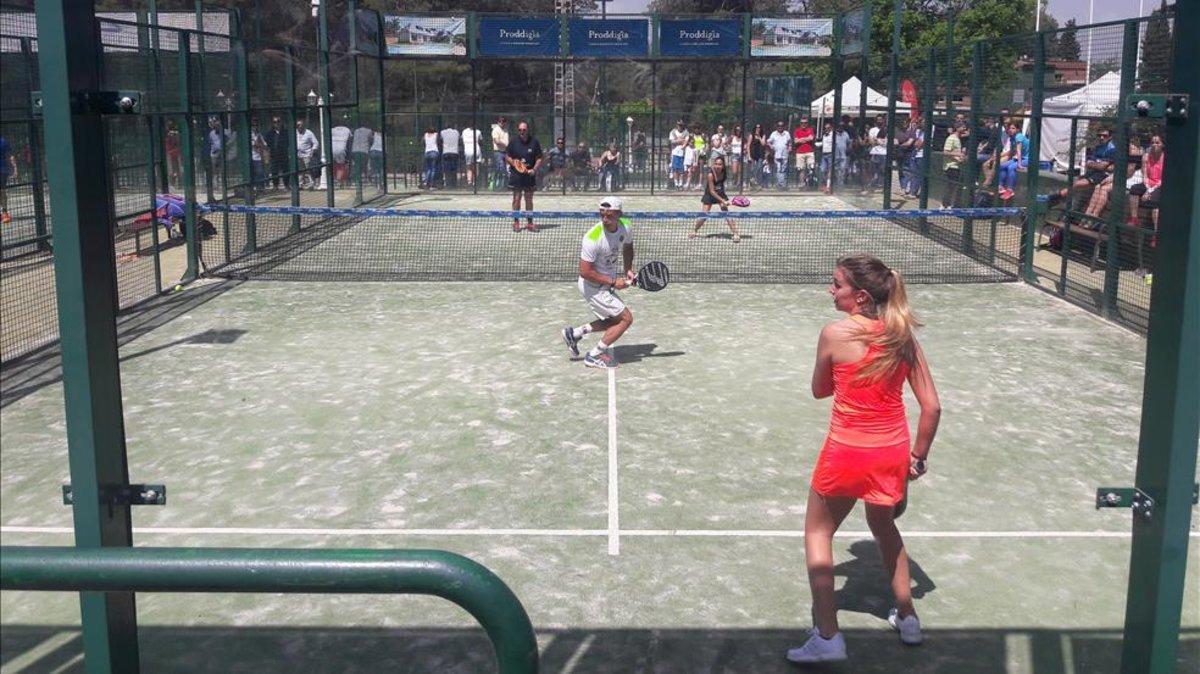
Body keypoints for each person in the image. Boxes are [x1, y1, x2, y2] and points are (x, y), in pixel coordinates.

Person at [786, 254, 941, 664]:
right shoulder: (902, 336)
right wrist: (918, 459)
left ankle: (827, 636)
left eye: (836, 284)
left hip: (846, 451)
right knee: (883, 525)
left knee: (818, 535)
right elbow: (932, 408)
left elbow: (820, 390)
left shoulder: (834, 334)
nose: (830, 289)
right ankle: (907, 617)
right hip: (891, 453)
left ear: (860, 296)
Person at [562, 196, 635, 370]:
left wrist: (628, 270)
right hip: (592, 285)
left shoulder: (626, 225)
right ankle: (594, 356)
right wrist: (613, 282)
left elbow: (628, 247)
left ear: (619, 214)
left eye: (609, 215)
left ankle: (575, 333)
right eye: (601, 214)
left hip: (605, 283)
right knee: (626, 319)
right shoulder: (592, 237)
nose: (604, 218)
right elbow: (585, 272)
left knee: (614, 320)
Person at [689, 156, 740, 243]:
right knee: (704, 216)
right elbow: (712, 191)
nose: (717, 166)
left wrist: (722, 198)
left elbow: (720, 184)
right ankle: (694, 231)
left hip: (720, 193)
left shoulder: (724, 173)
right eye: (716, 164)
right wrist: (723, 200)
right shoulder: (710, 175)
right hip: (709, 194)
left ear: (723, 165)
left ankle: (735, 234)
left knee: (726, 214)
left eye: (720, 164)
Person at [506, 121, 543, 232]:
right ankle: (516, 222)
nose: (522, 132)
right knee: (516, 199)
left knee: (529, 199)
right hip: (516, 176)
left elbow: (539, 158)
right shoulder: (513, 141)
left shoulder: (534, 142)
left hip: (529, 177)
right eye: (520, 130)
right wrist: (515, 164)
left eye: (524, 130)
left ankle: (530, 223)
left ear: (528, 130)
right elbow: (507, 156)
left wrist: (534, 169)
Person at [941, 123, 968, 208]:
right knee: (950, 186)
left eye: (965, 127)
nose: (965, 128)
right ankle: (944, 205)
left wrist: (961, 157)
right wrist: (958, 157)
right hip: (951, 166)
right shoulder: (951, 138)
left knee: (954, 186)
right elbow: (946, 152)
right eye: (963, 127)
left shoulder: (958, 139)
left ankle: (950, 204)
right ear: (957, 128)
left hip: (957, 166)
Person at [264, 117, 289, 190]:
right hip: (273, 154)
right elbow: (266, 144)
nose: (277, 123)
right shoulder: (270, 133)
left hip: (283, 154)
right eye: (275, 122)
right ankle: (275, 186)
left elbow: (288, 142)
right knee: (274, 171)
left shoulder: (285, 132)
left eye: (278, 121)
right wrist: (267, 154)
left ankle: (286, 185)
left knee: (285, 170)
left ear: (281, 122)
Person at [296, 120, 320, 190]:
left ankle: (311, 184)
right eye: (298, 125)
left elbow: (316, 143)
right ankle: (300, 184)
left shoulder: (308, 133)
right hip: (298, 154)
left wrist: (312, 151)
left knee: (309, 170)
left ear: (303, 125)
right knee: (300, 170)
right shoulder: (295, 133)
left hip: (307, 154)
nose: (299, 126)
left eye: (300, 125)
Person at [768, 120, 792, 190]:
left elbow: (789, 141)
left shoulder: (786, 133)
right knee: (778, 169)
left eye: (781, 126)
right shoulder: (774, 134)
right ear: (777, 126)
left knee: (783, 169)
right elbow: (768, 141)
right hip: (777, 154)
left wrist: (790, 147)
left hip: (785, 154)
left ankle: (781, 184)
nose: (780, 127)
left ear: (784, 126)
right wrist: (771, 146)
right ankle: (781, 184)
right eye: (779, 126)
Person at [793, 117, 816, 189]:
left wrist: (801, 139)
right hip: (800, 152)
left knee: (811, 167)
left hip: (809, 152)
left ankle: (810, 183)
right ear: (800, 123)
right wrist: (806, 138)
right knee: (801, 169)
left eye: (805, 123)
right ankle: (802, 184)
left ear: (807, 123)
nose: (803, 124)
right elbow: (796, 141)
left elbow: (811, 138)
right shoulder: (797, 130)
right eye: (802, 123)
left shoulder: (810, 129)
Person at [439, 123, 461, 189]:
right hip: (454, 152)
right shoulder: (456, 132)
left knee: (447, 169)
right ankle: (454, 184)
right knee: (454, 169)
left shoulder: (442, 132)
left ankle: (448, 184)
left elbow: (440, 140)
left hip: (446, 152)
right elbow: (459, 140)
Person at [351, 124, 373, 189]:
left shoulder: (356, 131)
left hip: (354, 150)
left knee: (357, 165)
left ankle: (356, 180)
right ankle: (365, 179)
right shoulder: (369, 131)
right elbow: (371, 140)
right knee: (364, 165)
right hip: (364, 150)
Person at [491, 116, 509, 191]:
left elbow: (507, 140)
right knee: (500, 169)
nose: (502, 123)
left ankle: (502, 186)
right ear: (498, 122)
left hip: (505, 152)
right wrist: (506, 145)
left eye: (503, 121)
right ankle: (497, 186)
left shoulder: (506, 130)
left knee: (504, 169)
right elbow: (497, 141)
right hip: (498, 152)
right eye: (500, 121)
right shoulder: (496, 130)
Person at [249, 118, 268, 193]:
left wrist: (259, 144)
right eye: (253, 125)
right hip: (251, 157)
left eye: (256, 125)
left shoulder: (259, 134)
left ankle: (261, 188)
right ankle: (253, 189)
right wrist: (259, 144)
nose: (255, 126)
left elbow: (265, 145)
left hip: (259, 157)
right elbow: (254, 145)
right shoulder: (249, 134)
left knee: (260, 173)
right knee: (253, 174)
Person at [331, 120, 352, 187]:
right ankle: (339, 181)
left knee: (333, 165)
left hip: (332, 149)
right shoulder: (347, 129)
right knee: (341, 166)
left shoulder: (332, 129)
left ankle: (335, 180)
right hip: (341, 149)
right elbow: (350, 140)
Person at [668, 119, 688, 188]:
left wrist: (678, 141)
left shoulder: (686, 132)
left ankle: (681, 183)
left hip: (682, 153)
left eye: (681, 125)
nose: (680, 126)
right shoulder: (673, 132)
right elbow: (672, 142)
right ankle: (676, 183)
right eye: (679, 125)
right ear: (677, 125)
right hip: (675, 153)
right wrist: (680, 140)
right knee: (675, 169)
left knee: (681, 170)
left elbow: (686, 142)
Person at [462, 124, 483, 188]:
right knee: (476, 166)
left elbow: (462, 140)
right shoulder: (478, 131)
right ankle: (475, 182)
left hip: (467, 150)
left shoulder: (464, 131)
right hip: (476, 150)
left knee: (469, 167)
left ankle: (469, 181)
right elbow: (480, 140)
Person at [0, 134, 14, 224]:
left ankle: (4, 212)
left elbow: (9, 156)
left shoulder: (3, 142)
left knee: (2, 191)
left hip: (2, 170)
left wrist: (13, 168)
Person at [748, 123, 766, 190]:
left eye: (759, 127)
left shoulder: (763, 135)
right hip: (753, 154)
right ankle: (752, 184)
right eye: (756, 127)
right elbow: (748, 146)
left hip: (760, 154)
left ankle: (759, 184)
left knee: (759, 169)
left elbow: (763, 144)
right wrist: (749, 156)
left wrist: (759, 137)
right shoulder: (751, 135)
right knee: (752, 169)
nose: (758, 129)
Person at [164, 120, 182, 189]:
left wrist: (174, 134)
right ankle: (172, 184)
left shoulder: (176, 133)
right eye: (169, 127)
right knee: (170, 170)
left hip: (176, 152)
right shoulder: (166, 133)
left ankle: (180, 184)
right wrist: (169, 133)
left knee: (178, 169)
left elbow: (178, 138)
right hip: (169, 153)